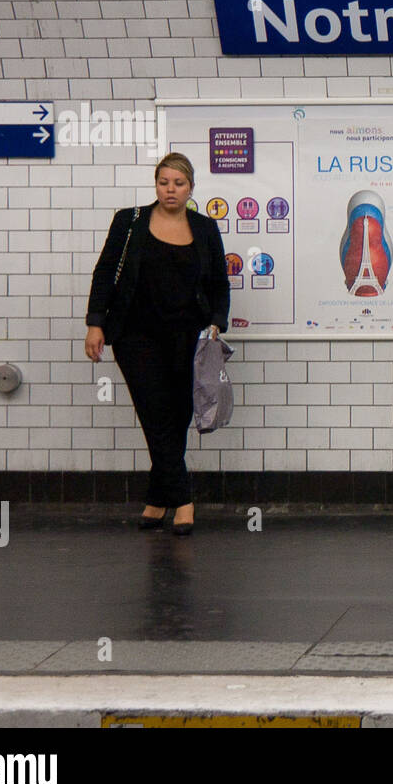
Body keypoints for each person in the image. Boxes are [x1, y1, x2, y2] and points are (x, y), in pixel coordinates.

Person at [84, 153, 231, 534]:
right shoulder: (129, 222)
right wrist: (95, 324)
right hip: (135, 336)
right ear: (156, 185)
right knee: (154, 413)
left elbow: (218, 282)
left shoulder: (204, 227)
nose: (170, 190)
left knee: (177, 417)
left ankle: (156, 498)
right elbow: (104, 273)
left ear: (191, 188)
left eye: (178, 184)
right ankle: (183, 501)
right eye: (164, 182)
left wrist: (217, 322)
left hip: (189, 338)